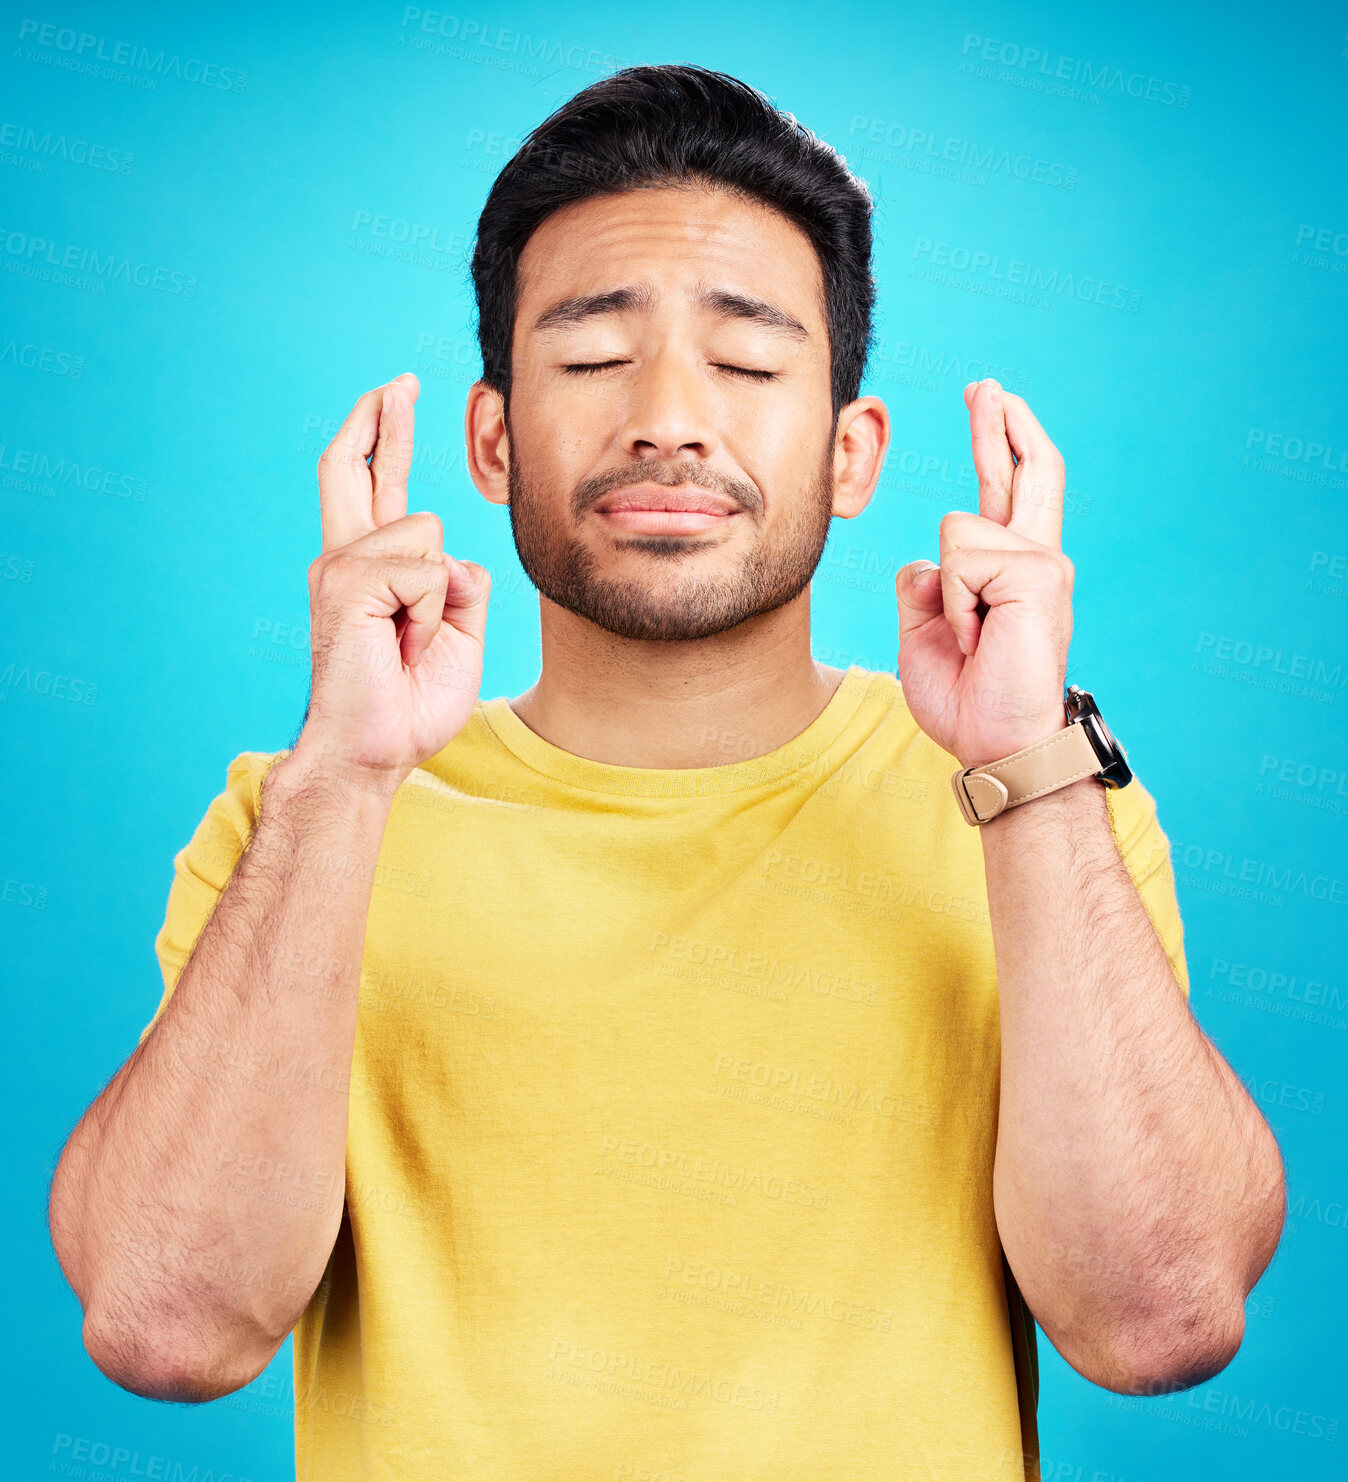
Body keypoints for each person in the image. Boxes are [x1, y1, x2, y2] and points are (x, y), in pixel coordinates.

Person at [49, 63, 1284, 1482]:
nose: (670, 421)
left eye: (751, 364)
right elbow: (163, 1323)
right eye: (588, 360)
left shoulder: (1036, 799)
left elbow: (1162, 1317)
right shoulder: (306, 815)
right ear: (494, 441)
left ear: (853, 449)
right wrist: (342, 775)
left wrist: (1023, 762)